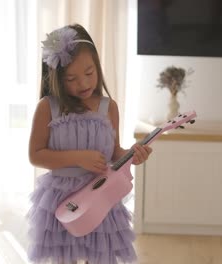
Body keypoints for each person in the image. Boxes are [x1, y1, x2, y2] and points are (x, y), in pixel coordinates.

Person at [27, 23, 152, 264]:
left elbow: (115, 153)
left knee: (100, 257)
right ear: (56, 77)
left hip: (100, 196)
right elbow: (35, 155)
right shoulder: (47, 108)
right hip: (61, 199)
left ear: (98, 67)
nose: (83, 84)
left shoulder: (109, 107)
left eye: (89, 73)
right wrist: (78, 157)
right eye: (71, 78)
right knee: (64, 258)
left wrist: (131, 154)